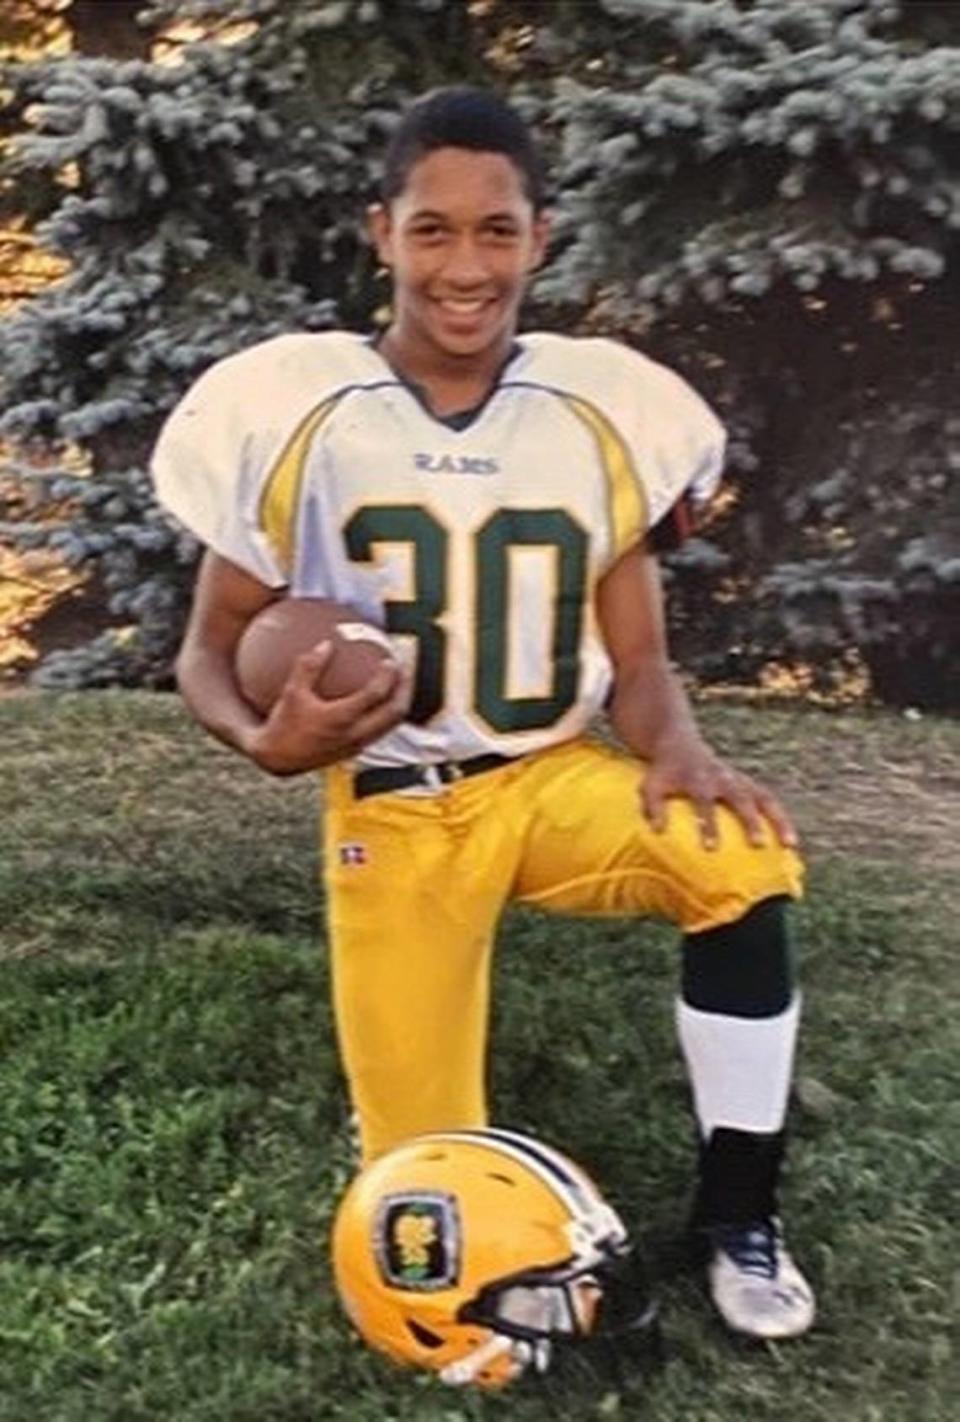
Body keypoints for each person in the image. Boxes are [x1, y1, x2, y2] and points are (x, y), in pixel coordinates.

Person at [151, 86, 815, 1343]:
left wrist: (679, 751)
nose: (468, 266)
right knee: (418, 1181)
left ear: (540, 239)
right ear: (381, 233)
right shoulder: (298, 408)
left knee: (739, 858)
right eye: (435, 230)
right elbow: (208, 649)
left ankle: (739, 1218)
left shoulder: (602, 408)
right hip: (394, 810)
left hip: (545, 778)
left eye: (497, 231)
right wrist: (262, 738)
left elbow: (638, 656)